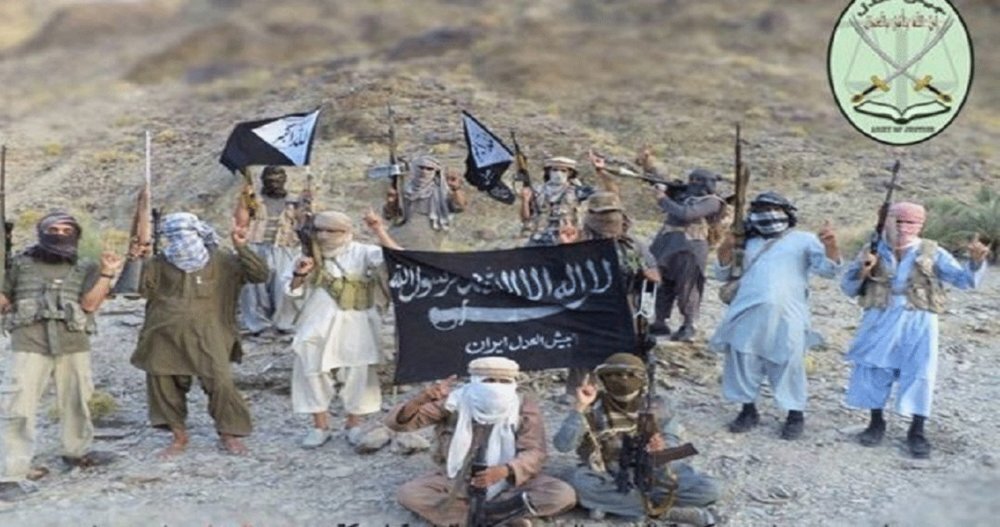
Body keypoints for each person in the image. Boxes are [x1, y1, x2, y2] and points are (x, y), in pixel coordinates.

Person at [841, 202, 989, 458]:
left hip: (919, 318)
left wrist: (976, 263)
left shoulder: (932, 251)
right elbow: (848, 287)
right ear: (886, 221)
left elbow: (964, 281)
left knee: (920, 370)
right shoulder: (872, 249)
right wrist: (864, 270)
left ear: (921, 225)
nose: (903, 227)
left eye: (911, 222)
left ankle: (917, 430)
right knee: (874, 368)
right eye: (897, 221)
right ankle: (876, 423)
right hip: (880, 315)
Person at [0, 212, 123, 500]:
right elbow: (4, 301)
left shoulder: (86, 266)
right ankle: (11, 472)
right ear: (41, 232)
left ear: (76, 234)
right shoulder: (19, 264)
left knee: (77, 400)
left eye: (66, 230)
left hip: (72, 342)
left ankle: (77, 452)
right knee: (19, 406)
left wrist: (107, 273)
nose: (59, 234)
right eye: (53, 229)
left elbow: (90, 305)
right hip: (29, 341)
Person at [130, 212, 268, 458]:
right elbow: (134, 291)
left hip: (210, 334)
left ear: (199, 234)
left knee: (220, 383)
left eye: (187, 234)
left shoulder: (222, 260)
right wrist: (135, 260)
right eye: (174, 236)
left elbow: (260, 275)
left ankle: (229, 433)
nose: (181, 241)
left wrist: (241, 247)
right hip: (163, 335)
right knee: (164, 385)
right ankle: (178, 436)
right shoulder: (158, 263)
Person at [709, 192, 841, 440]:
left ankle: (795, 414)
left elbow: (828, 270)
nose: (766, 215)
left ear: (787, 213)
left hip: (787, 315)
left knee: (788, 362)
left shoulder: (804, 240)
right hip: (746, 312)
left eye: (772, 209)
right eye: (760, 210)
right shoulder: (746, 241)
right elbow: (723, 274)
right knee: (743, 360)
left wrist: (830, 246)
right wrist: (727, 245)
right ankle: (747, 410)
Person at [384, 357, 576, 526]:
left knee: (562, 494)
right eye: (489, 380)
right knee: (410, 494)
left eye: (504, 381)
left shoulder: (523, 406)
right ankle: (505, 517)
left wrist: (504, 471)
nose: (496, 387)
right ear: (475, 381)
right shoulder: (455, 401)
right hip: (460, 479)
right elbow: (401, 423)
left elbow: (535, 452)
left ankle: (479, 515)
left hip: (510, 480)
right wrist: (421, 399)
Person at [553, 352, 721, 525]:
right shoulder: (593, 406)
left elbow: (672, 441)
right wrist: (579, 409)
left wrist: (661, 448)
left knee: (709, 488)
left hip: (651, 470)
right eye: (614, 375)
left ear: (642, 379)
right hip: (607, 473)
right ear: (603, 379)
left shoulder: (658, 406)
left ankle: (616, 504)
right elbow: (563, 445)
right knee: (580, 483)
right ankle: (664, 512)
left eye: (631, 375)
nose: (623, 379)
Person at [286, 210, 401, 448]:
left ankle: (353, 424)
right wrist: (300, 273)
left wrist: (379, 230)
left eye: (331, 231)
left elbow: (399, 258)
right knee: (311, 371)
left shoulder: (362, 252)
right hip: (317, 322)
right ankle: (320, 426)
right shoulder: (307, 254)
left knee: (358, 374)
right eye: (319, 230)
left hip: (355, 324)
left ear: (346, 232)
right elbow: (291, 290)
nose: (324, 236)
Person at [639, 148, 726, 342]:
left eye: (698, 181)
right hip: (666, 243)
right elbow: (659, 178)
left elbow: (687, 214)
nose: (693, 184)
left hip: (690, 247)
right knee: (661, 283)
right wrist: (649, 164)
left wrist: (663, 199)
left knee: (687, 286)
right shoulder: (682, 193)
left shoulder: (712, 202)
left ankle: (688, 324)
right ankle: (660, 321)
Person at [234, 165, 304, 336]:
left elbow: (303, 223)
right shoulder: (253, 199)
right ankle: (259, 324)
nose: (274, 184)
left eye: (278, 180)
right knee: (255, 287)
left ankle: (284, 323)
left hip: (285, 246)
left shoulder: (295, 201)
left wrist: (307, 205)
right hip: (256, 245)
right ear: (263, 181)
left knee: (283, 285)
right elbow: (241, 222)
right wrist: (244, 200)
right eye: (270, 180)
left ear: (284, 180)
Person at [384, 155, 467, 251]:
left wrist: (456, 188)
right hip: (399, 238)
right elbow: (391, 215)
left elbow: (459, 207)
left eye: (429, 169)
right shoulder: (404, 190)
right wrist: (391, 201)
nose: (424, 172)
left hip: (426, 241)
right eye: (421, 168)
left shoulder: (441, 192)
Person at [519, 156, 594, 247]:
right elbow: (526, 218)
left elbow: (604, 193)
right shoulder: (537, 191)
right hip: (539, 238)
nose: (558, 173)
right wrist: (525, 201)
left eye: (563, 171)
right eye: (555, 170)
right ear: (548, 171)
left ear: (570, 173)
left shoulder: (577, 191)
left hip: (567, 237)